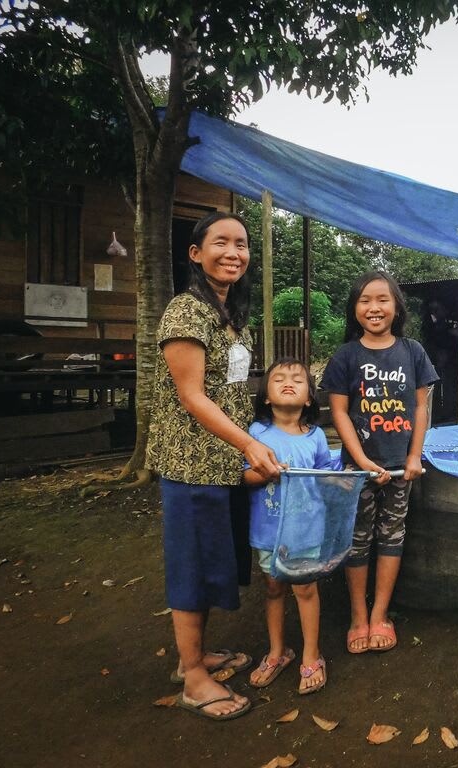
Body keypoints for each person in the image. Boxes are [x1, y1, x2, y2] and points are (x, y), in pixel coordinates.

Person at [146, 211, 280, 721]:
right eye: (220, 242)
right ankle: (193, 678)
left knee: (208, 561)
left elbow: (234, 389)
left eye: (242, 244)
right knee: (192, 567)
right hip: (190, 462)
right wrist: (250, 444)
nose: (234, 252)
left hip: (220, 463)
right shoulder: (186, 312)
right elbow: (192, 396)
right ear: (195, 253)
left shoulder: (230, 315)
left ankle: (196, 655)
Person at [320, 271, 439, 654]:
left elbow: (421, 407)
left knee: (391, 537)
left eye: (383, 300)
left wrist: (414, 455)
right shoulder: (346, 356)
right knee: (357, 540)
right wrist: (361, 460)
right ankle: (358, 616)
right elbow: (339, 413)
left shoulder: (413, 351)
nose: (374, 308)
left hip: (401, 470)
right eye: (365, 300)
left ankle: (380, 615)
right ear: (354, 309)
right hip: (358, 471)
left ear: (396, 307)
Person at [244, 357, 333, 694]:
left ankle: (312, 654)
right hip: (267, 531)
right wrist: (263, 472)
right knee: (273, 588)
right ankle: (277, 652)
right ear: (266, 396)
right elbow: (244, 475)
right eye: (278, 378)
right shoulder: (254, 435)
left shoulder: (316, 437)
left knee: (305, 590)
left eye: (298, 379)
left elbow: (326, 474)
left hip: (307, 531)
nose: (288, 382)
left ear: (309, 397)